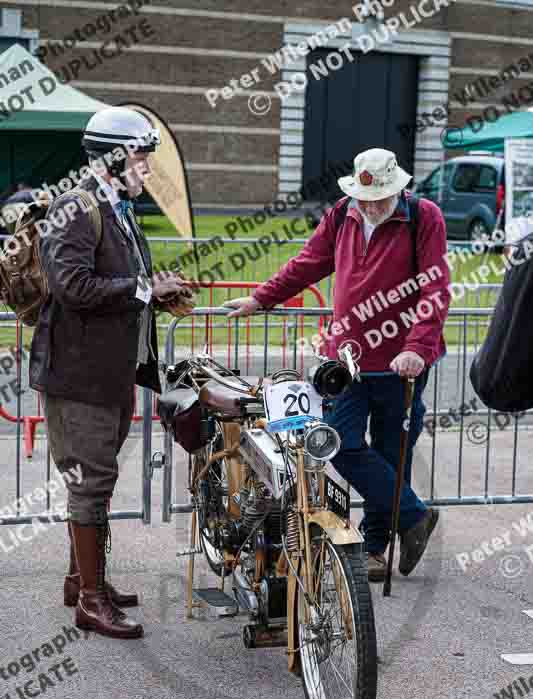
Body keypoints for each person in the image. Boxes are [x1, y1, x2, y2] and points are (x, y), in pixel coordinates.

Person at [224, 148, 450, 582]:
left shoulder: (425, 217)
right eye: (364, 198)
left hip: (402, 361)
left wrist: (418, 348)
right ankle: (414, 516)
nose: (369, 206)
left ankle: (375, 548)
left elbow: (435, 288)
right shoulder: (342, 214)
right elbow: (309, 262)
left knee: (390, 453)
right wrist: (261, 297)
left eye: (378, 198)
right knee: (341, 443)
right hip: (348, 356)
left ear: (397, 188)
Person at [29, 107, 186, 637]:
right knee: (90, 483)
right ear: (114, 157)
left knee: (97, 479)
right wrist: (144, 290)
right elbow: (72, 286)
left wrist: (157, 293)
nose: (147, 168)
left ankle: (83, 578)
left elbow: (117, 281)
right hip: (78, 376)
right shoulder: (78, 208)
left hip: (110, 373)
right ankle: (91, 600)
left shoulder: (116, 206)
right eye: (141, 157)